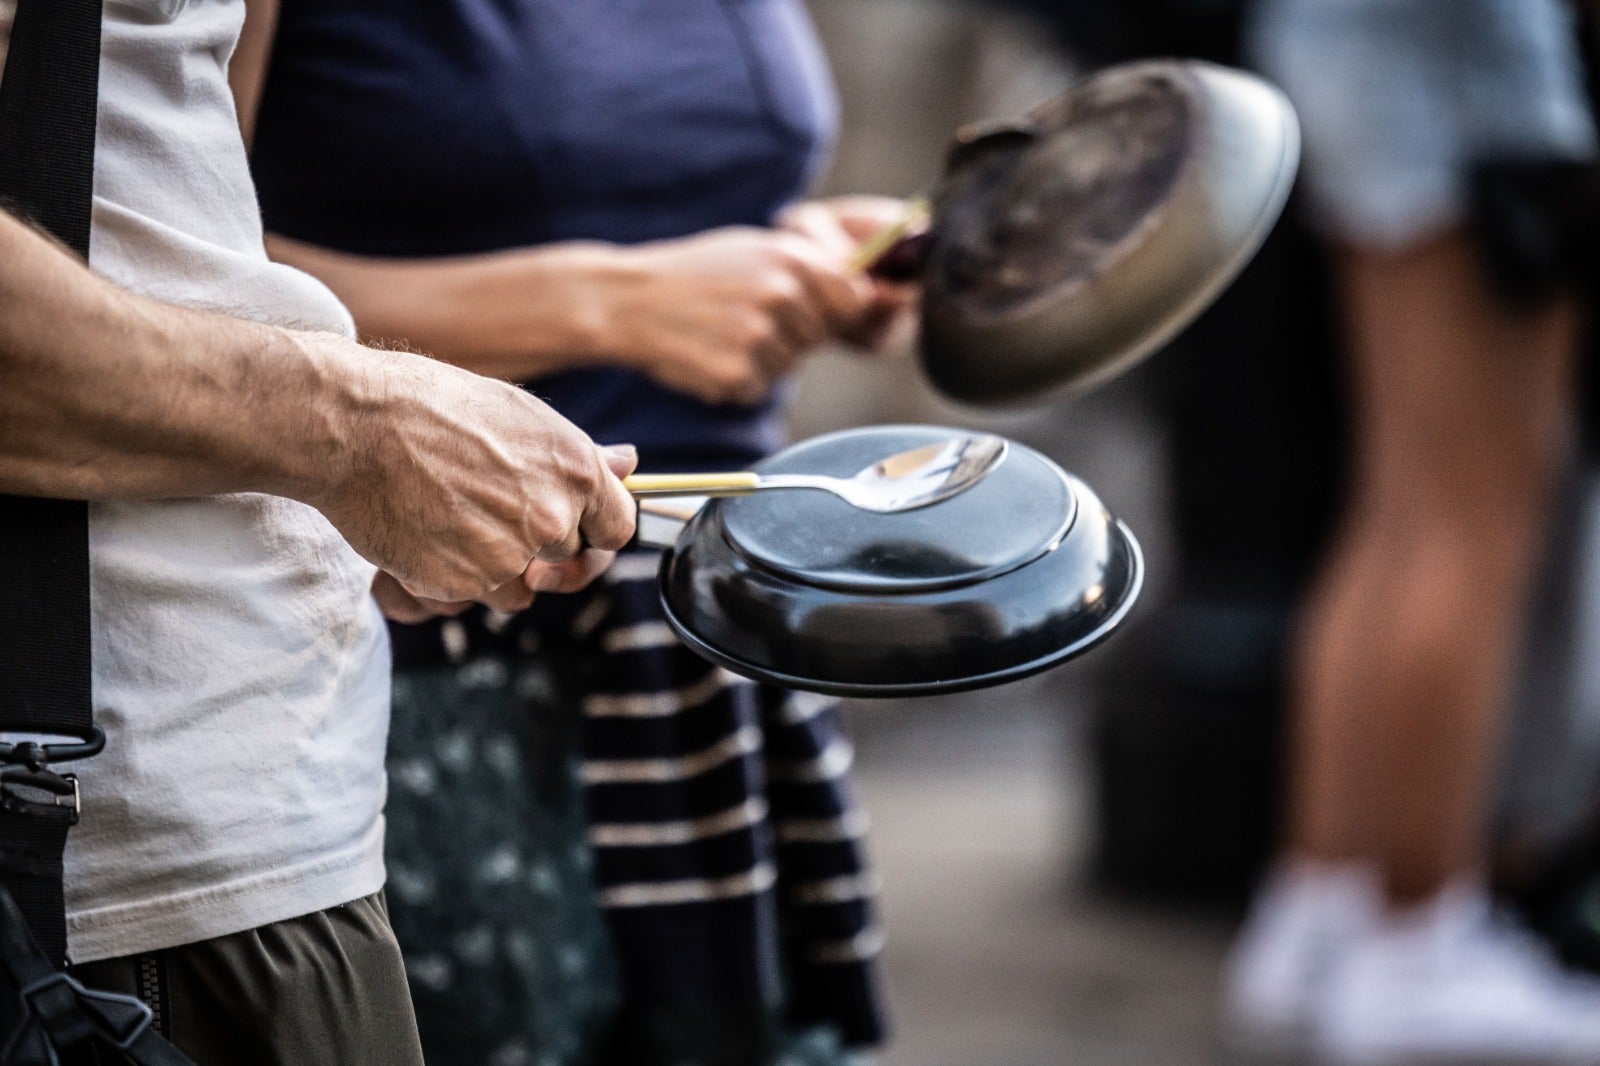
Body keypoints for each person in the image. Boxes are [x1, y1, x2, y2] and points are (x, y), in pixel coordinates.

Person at [233, 1, 912, 1062]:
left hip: (721, 642)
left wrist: (794, 263)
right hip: (444, 662)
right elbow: (159, 282)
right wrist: (609, 304)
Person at [0, 0, 638, 1060]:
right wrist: (360, 434)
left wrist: (338, 496)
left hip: (256, 816)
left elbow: (186, 229)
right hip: (101, 868)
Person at [1223, 1, 1600, 1062]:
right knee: (1472, 518)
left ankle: (1321, 911)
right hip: (1466, 64)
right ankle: (1416, 939)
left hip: (1359, 52)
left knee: (1402, 509)